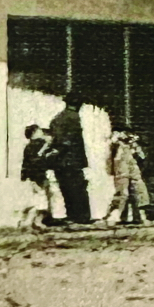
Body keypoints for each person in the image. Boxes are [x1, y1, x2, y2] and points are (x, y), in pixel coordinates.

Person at [50, 94, 91, 224]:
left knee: (67, 188)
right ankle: (81, 216)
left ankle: (72, 215)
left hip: (61, 161)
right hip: (71, 160)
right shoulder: (73, 117)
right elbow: (66, 140)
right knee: (77, 188)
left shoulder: (59, 117)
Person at [105, 127, 151, 227]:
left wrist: (136, 147)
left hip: (134, 171)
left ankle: (139, 216)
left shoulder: (132, 145)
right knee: (122, 194)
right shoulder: (117, 144)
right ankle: (114, 216)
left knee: (139, 191)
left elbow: (142, 157)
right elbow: (112, 148)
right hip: (122, 171)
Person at [20, 125, 58, 230]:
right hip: (39, 175)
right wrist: (50, 152)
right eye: (39, 131)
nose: (42, 132)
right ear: (34, 133)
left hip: (33, 176)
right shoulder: (39, 144)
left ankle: (31, 221)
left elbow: (26, 163)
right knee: (42, 200)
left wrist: (24, 175)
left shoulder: (28, 147)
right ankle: (32, 222)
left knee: (39, 198)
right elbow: (40, 159)